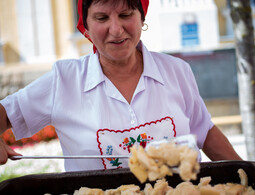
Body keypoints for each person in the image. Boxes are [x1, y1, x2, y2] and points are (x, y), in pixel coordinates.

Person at [0, 0, 242, 172]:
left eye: (126, 15)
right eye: (102, 17)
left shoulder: (176, 70)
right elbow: (7, 113)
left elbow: (204, 131)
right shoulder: (64, 80)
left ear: (141, 18)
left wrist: (251, 177)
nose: (116, 30)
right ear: (86, 26)